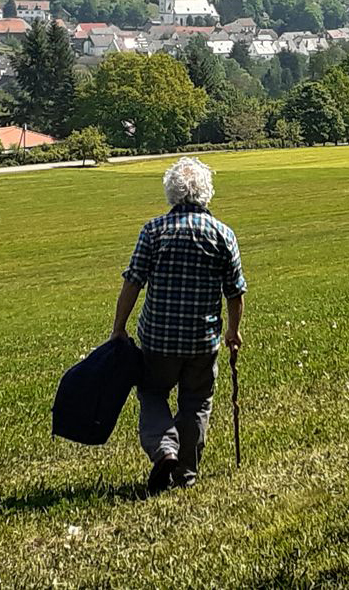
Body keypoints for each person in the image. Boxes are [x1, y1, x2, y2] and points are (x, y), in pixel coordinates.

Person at [110, 157, 246, 494]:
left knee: (152, 393)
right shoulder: (223, 234)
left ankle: (164, 450)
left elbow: (133, 282)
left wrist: (119, 327)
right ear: (206, 193)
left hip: (158, 340)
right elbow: (235, 291)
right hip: (202, 340)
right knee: (196, 402)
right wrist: (233, 330)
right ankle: (185, 472)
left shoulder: (153, 231)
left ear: (171, 192)